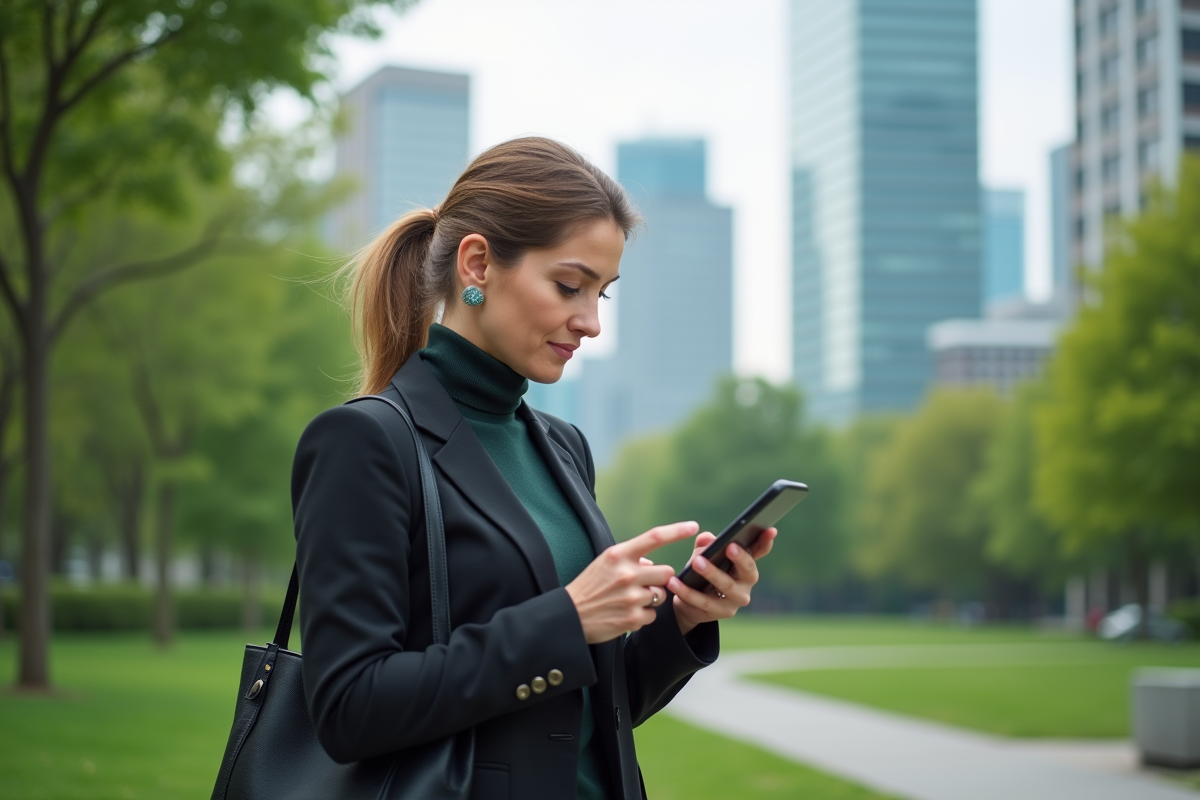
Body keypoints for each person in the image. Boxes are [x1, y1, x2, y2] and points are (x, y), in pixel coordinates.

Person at [292, 136, 777, 800]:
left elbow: (583, 713)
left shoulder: (563, 446)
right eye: (570, 286)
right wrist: (568, 620)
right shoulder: (364, 442)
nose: (591, 323)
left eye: (602, 294)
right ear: (478, 264)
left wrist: (684, 621)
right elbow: (349, 707)